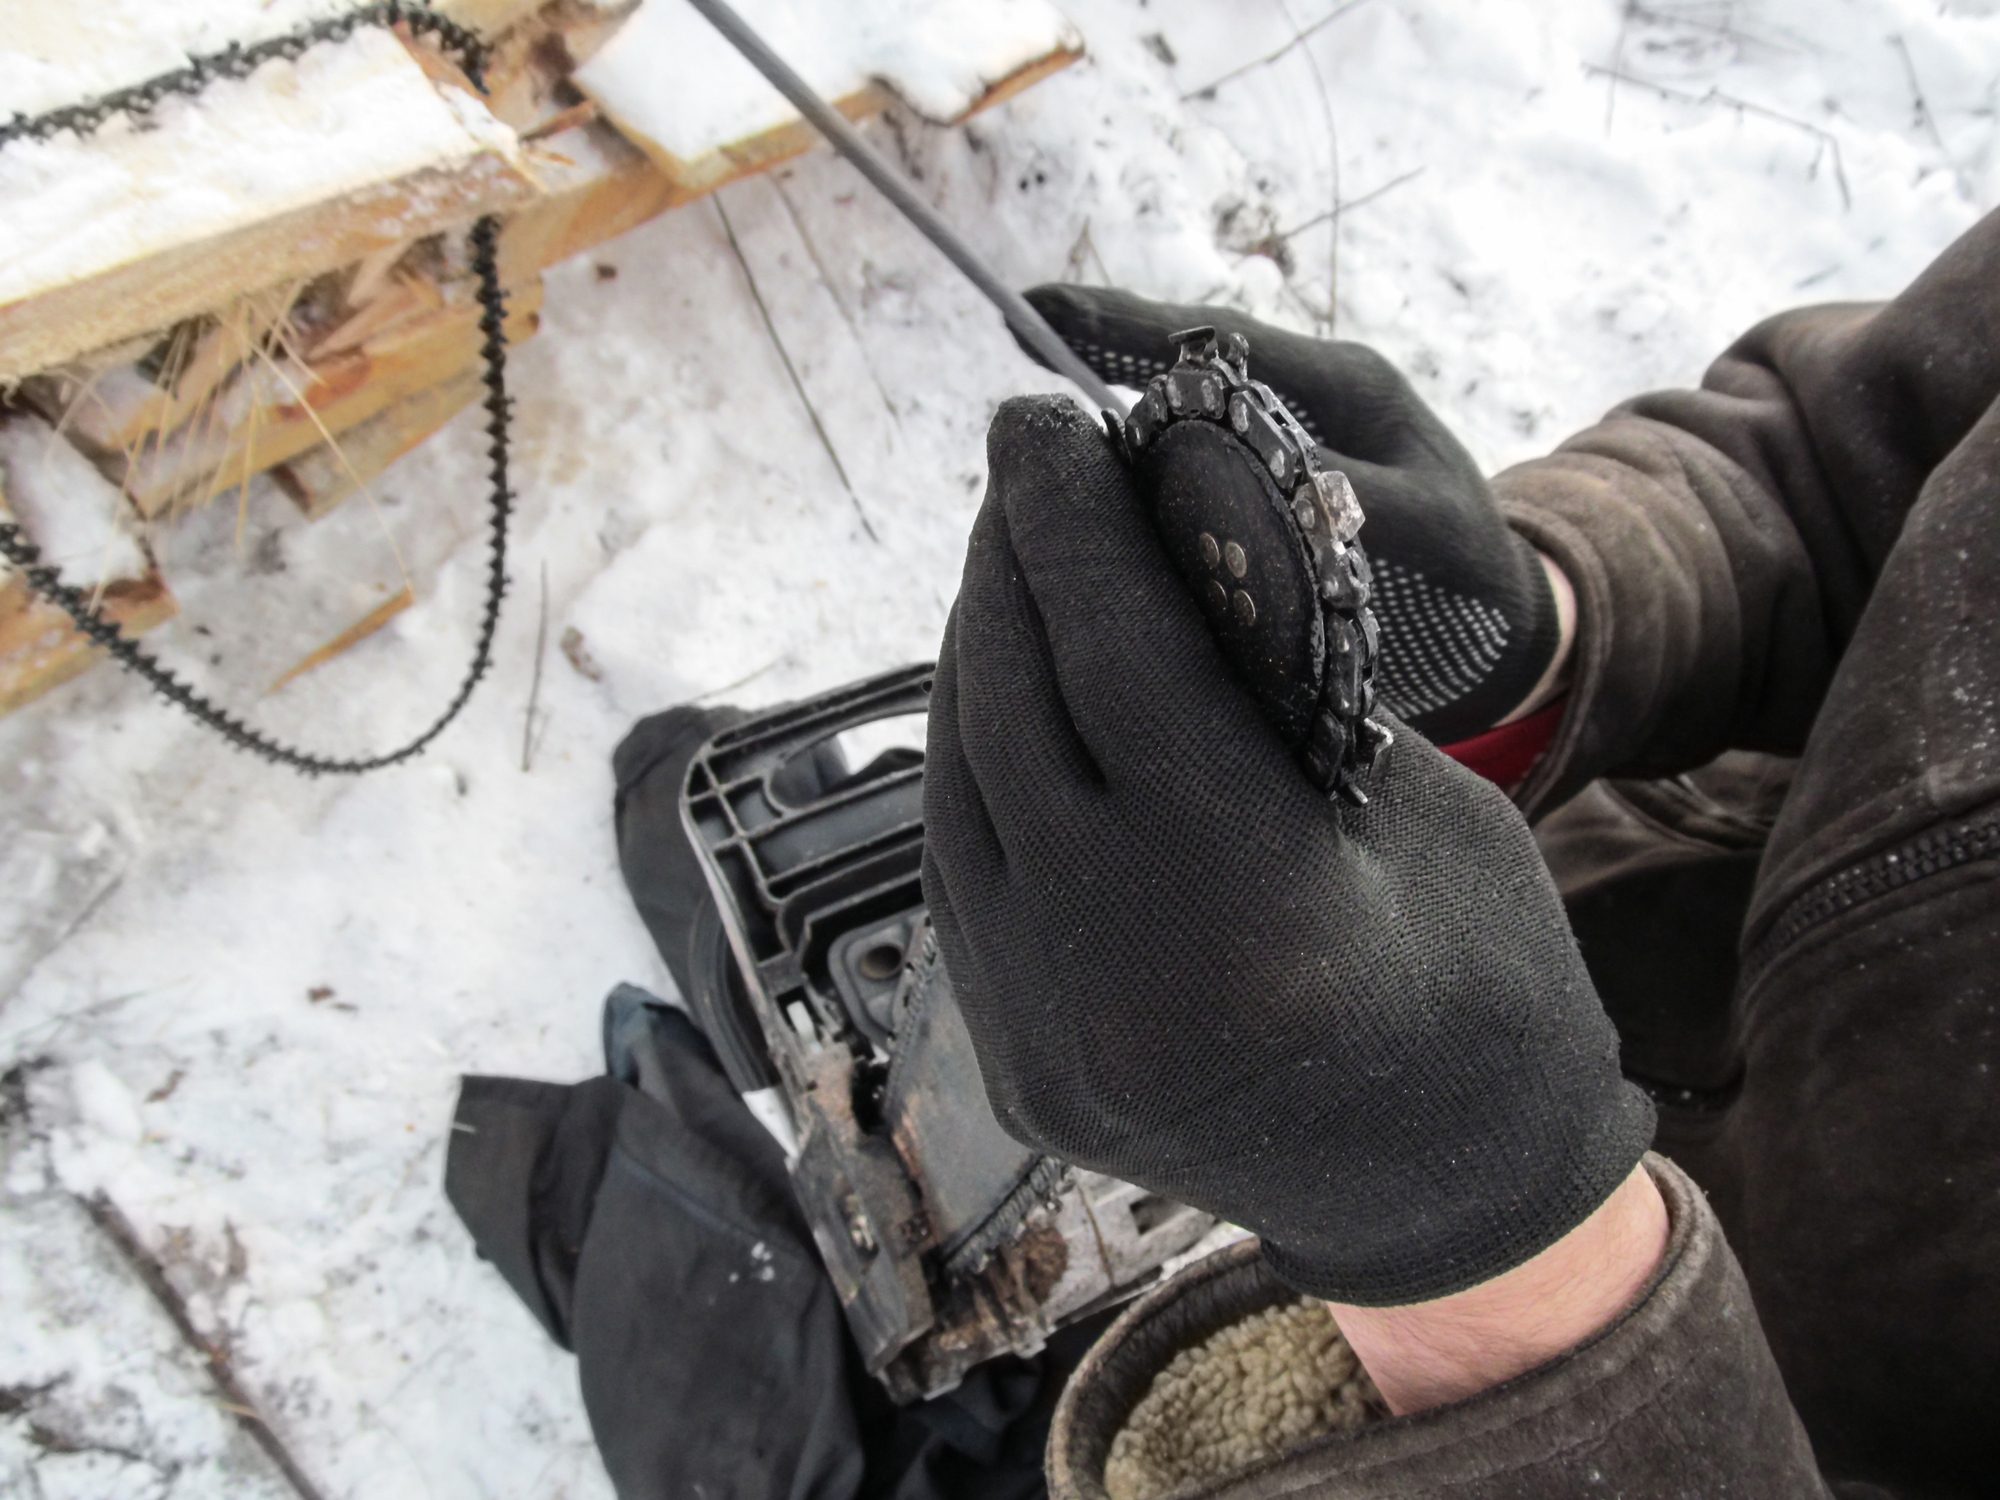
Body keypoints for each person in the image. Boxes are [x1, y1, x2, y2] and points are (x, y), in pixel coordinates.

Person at [446, 207, 1996, 1498]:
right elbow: (1846, 462)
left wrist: (1488, 1276)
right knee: (797, 911)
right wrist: (1551, 621)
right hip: (1470, 952)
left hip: (1471, 1419)